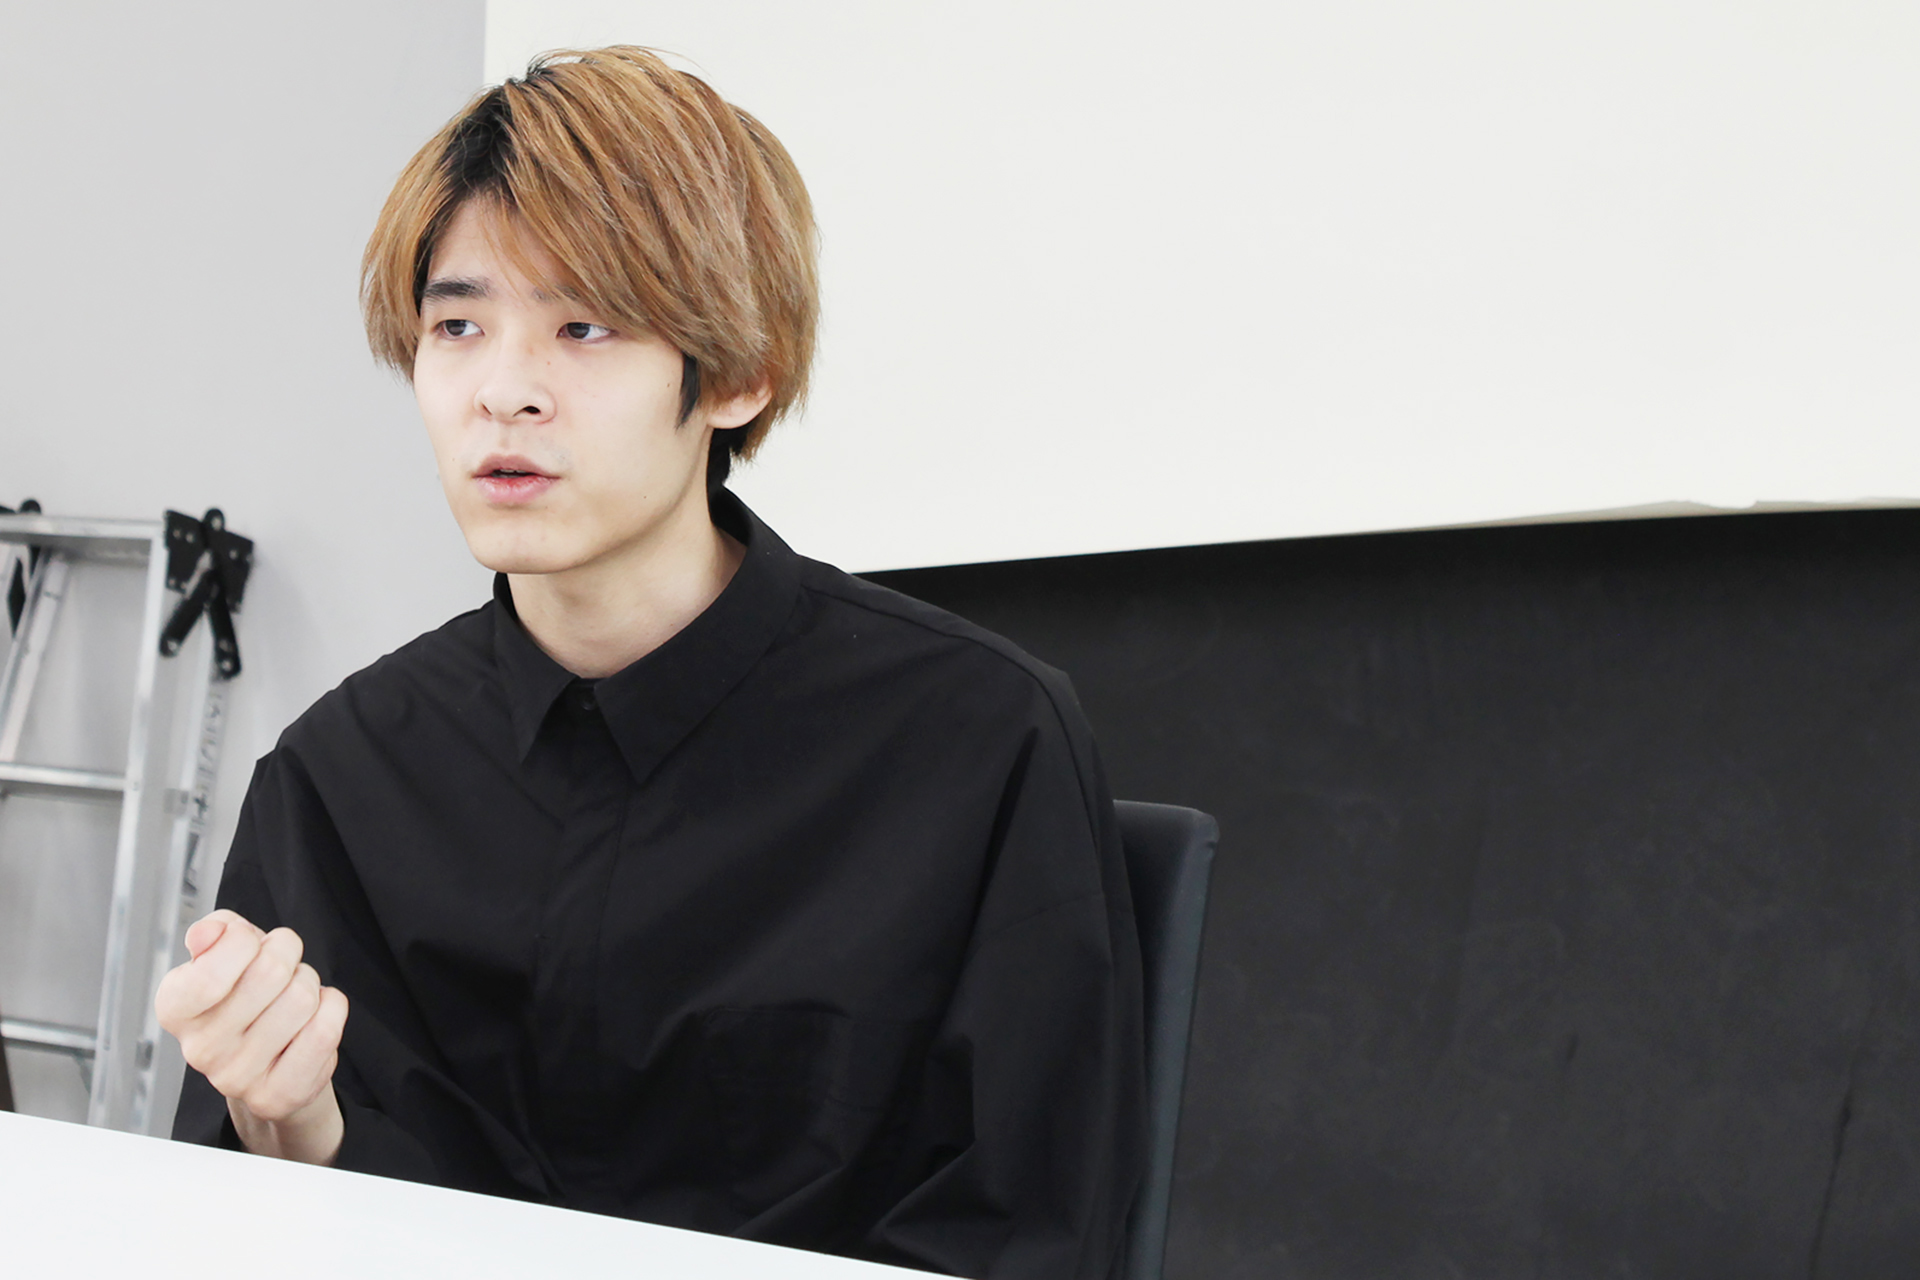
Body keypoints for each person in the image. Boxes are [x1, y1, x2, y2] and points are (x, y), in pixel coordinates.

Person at [158, 46, 1144, 1279]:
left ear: (738, 373)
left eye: (583, 325)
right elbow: (234, 1226)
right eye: (456, 326)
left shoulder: (979, 741)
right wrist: (291, 1128)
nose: (502, 392)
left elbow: (1031, 1234)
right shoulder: (340, 775)